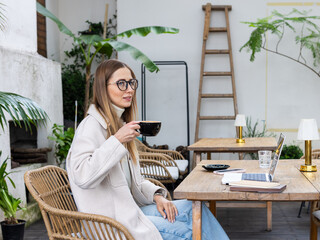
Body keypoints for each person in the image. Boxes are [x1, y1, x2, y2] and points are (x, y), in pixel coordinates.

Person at [66, 59, 229, 240]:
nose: (129, 89)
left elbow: (132, 182)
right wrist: (117, 140)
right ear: (103, 88)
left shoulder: (118, 124)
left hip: (130, 211)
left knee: (196, 209)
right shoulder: (91, 126)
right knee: (189, 232)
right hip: (111, 225)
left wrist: (158, 197)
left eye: (131, 83)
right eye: (121, 83)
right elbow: (82, 176)